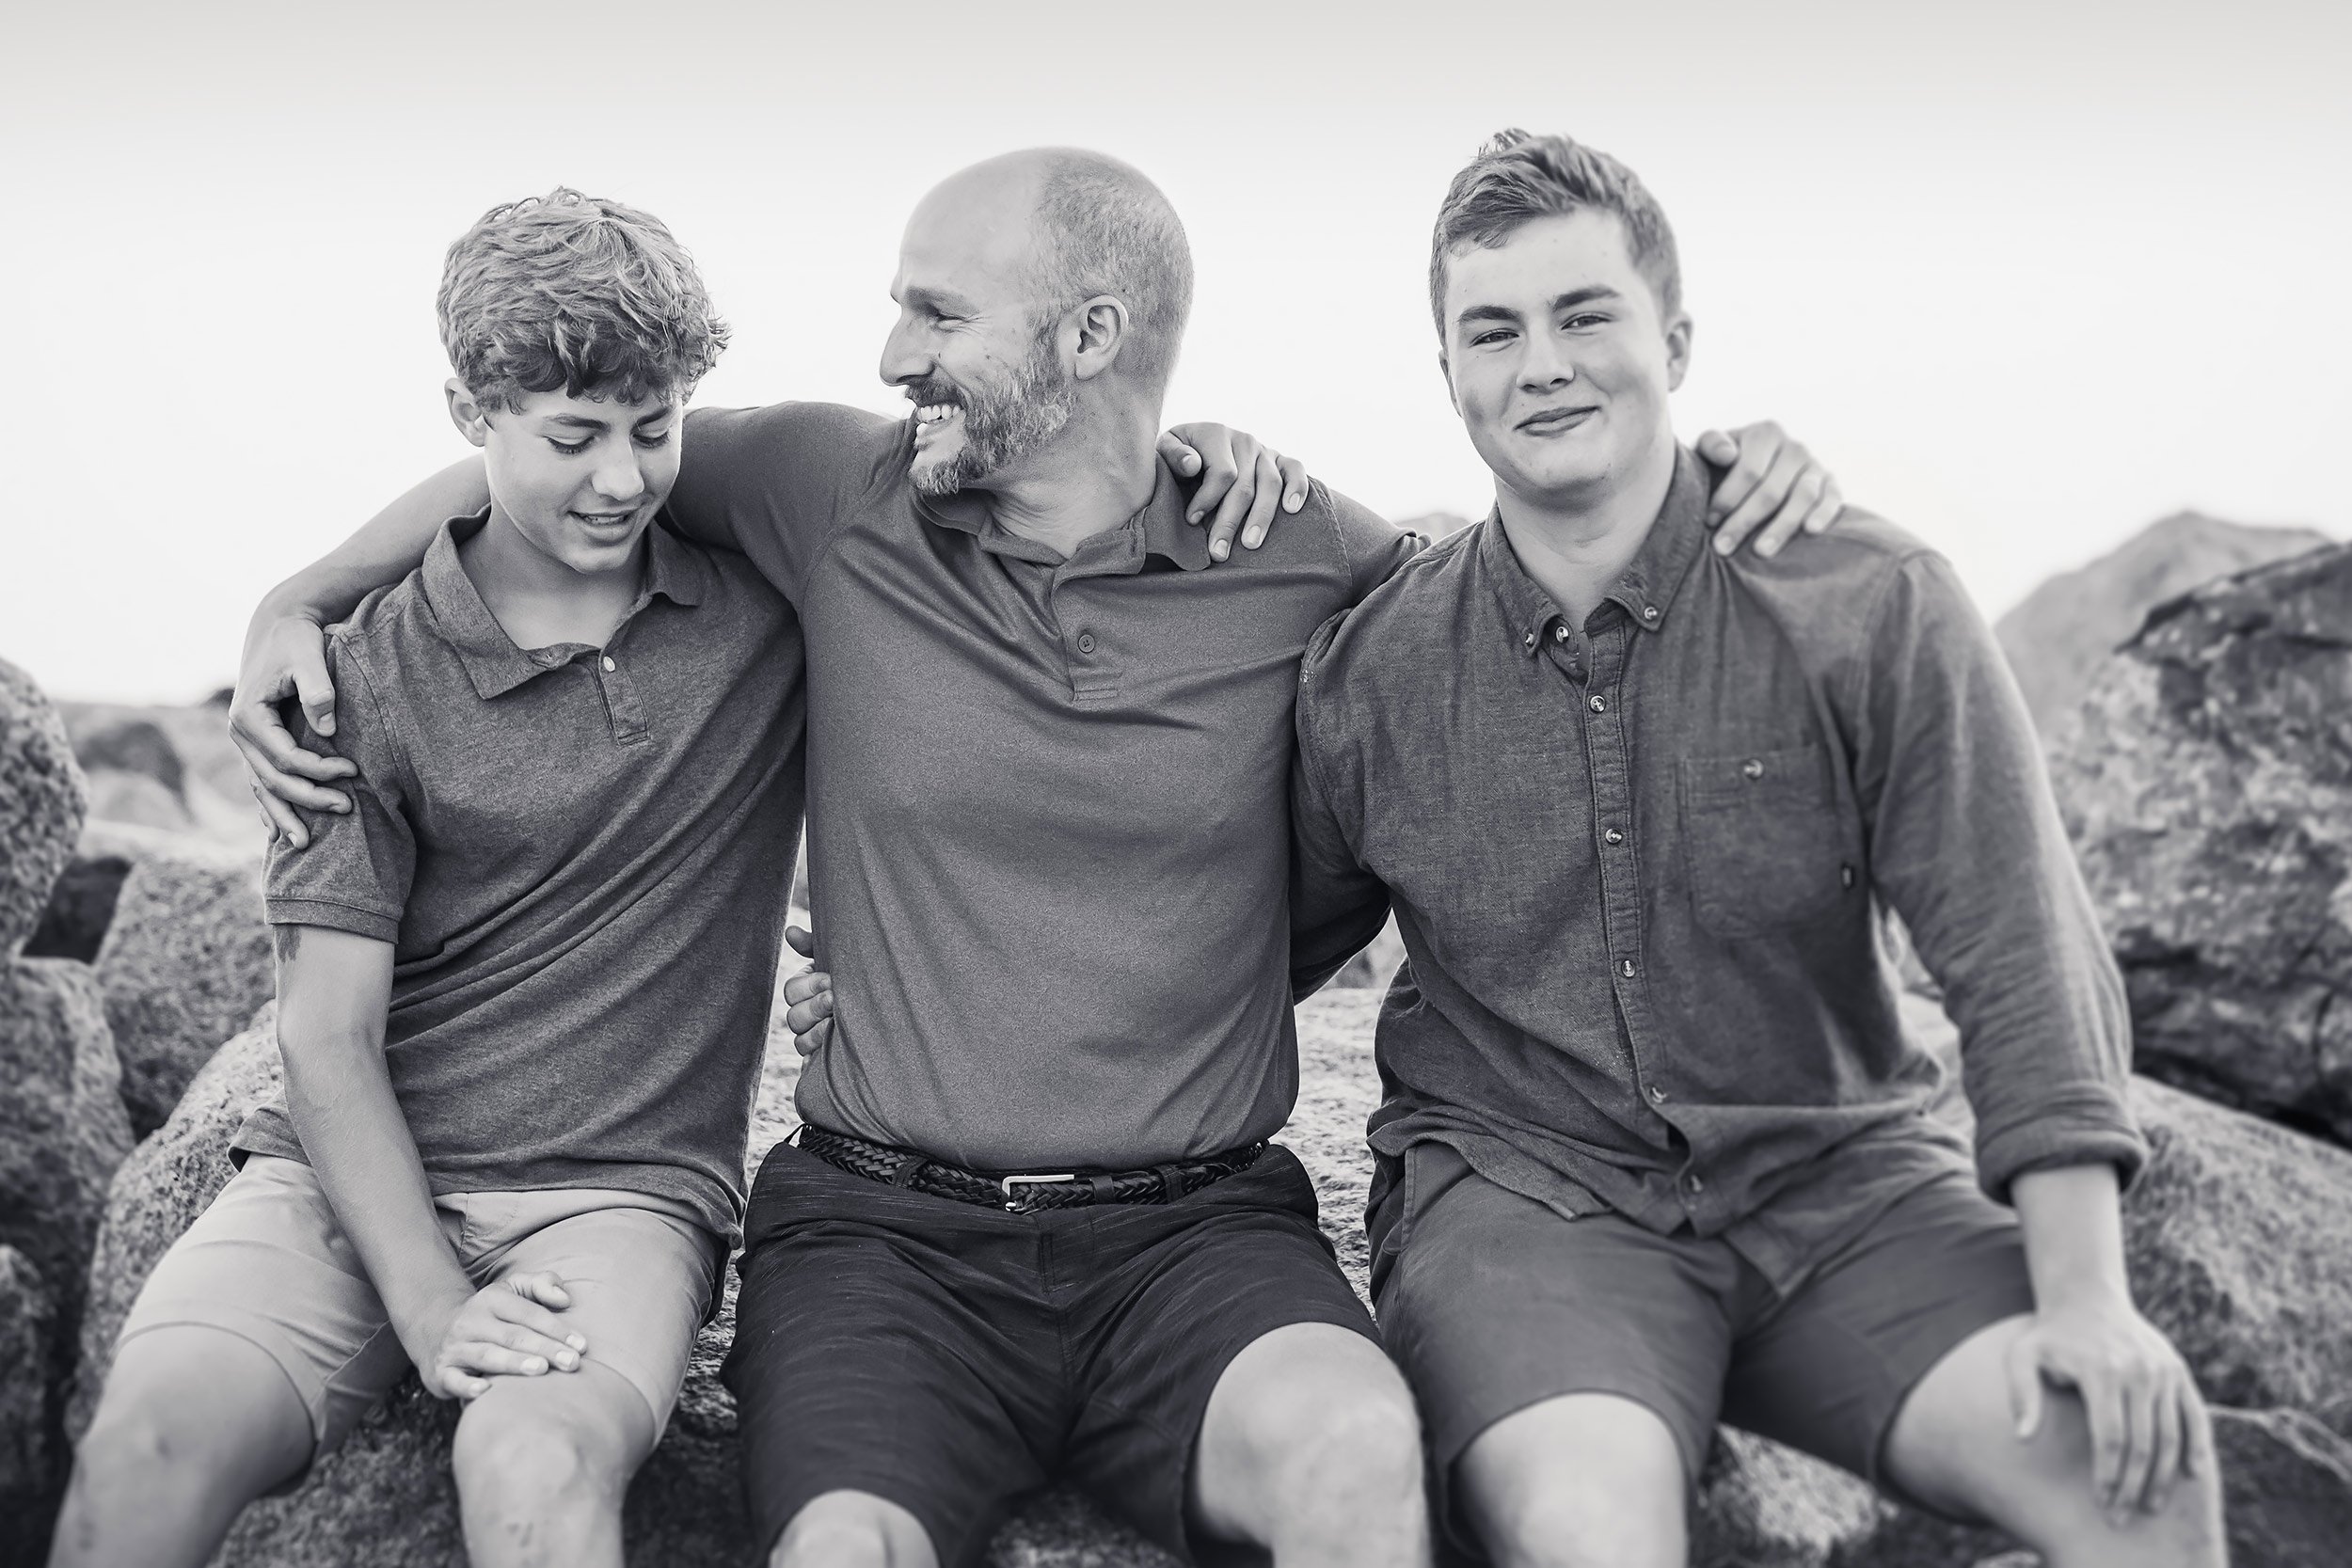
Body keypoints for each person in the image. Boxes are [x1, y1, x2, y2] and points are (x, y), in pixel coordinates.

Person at [231, 149, 1840, 1568]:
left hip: (1202, 1236)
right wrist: (294, 599)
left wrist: (1712, 474)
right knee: (842, 1547)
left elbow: (1522, 585)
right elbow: (550, 459)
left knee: (1360, 1464)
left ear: (1088, 338)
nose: (891, 354)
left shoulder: (1285, 542)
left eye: (937, 316)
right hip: (881, 1237)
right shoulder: (831, 488)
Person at [1280, 131, 2225, 1568]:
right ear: (1450, 377)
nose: (1543, 364)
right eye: (1494, 331)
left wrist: (2087, 1297)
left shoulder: (1867, 599)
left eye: (1585, 315)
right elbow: (1242, 946)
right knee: (1594, 1528)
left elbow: (2018, 942)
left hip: (1838, 1187)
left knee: (2132, 1470)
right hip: (1533, 1203)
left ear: (1675, 335)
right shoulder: (1376, 674)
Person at [54, 190, 799, 1568]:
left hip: (619, 1194)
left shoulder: (764, 619)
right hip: (336, 1175)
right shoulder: (358, 676)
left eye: (654, 430)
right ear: (469, 410)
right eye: (572, 439)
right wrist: (429, 1308)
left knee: (533, 1460)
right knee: (143, 1444)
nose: (624, 480)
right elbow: (325, 1036)